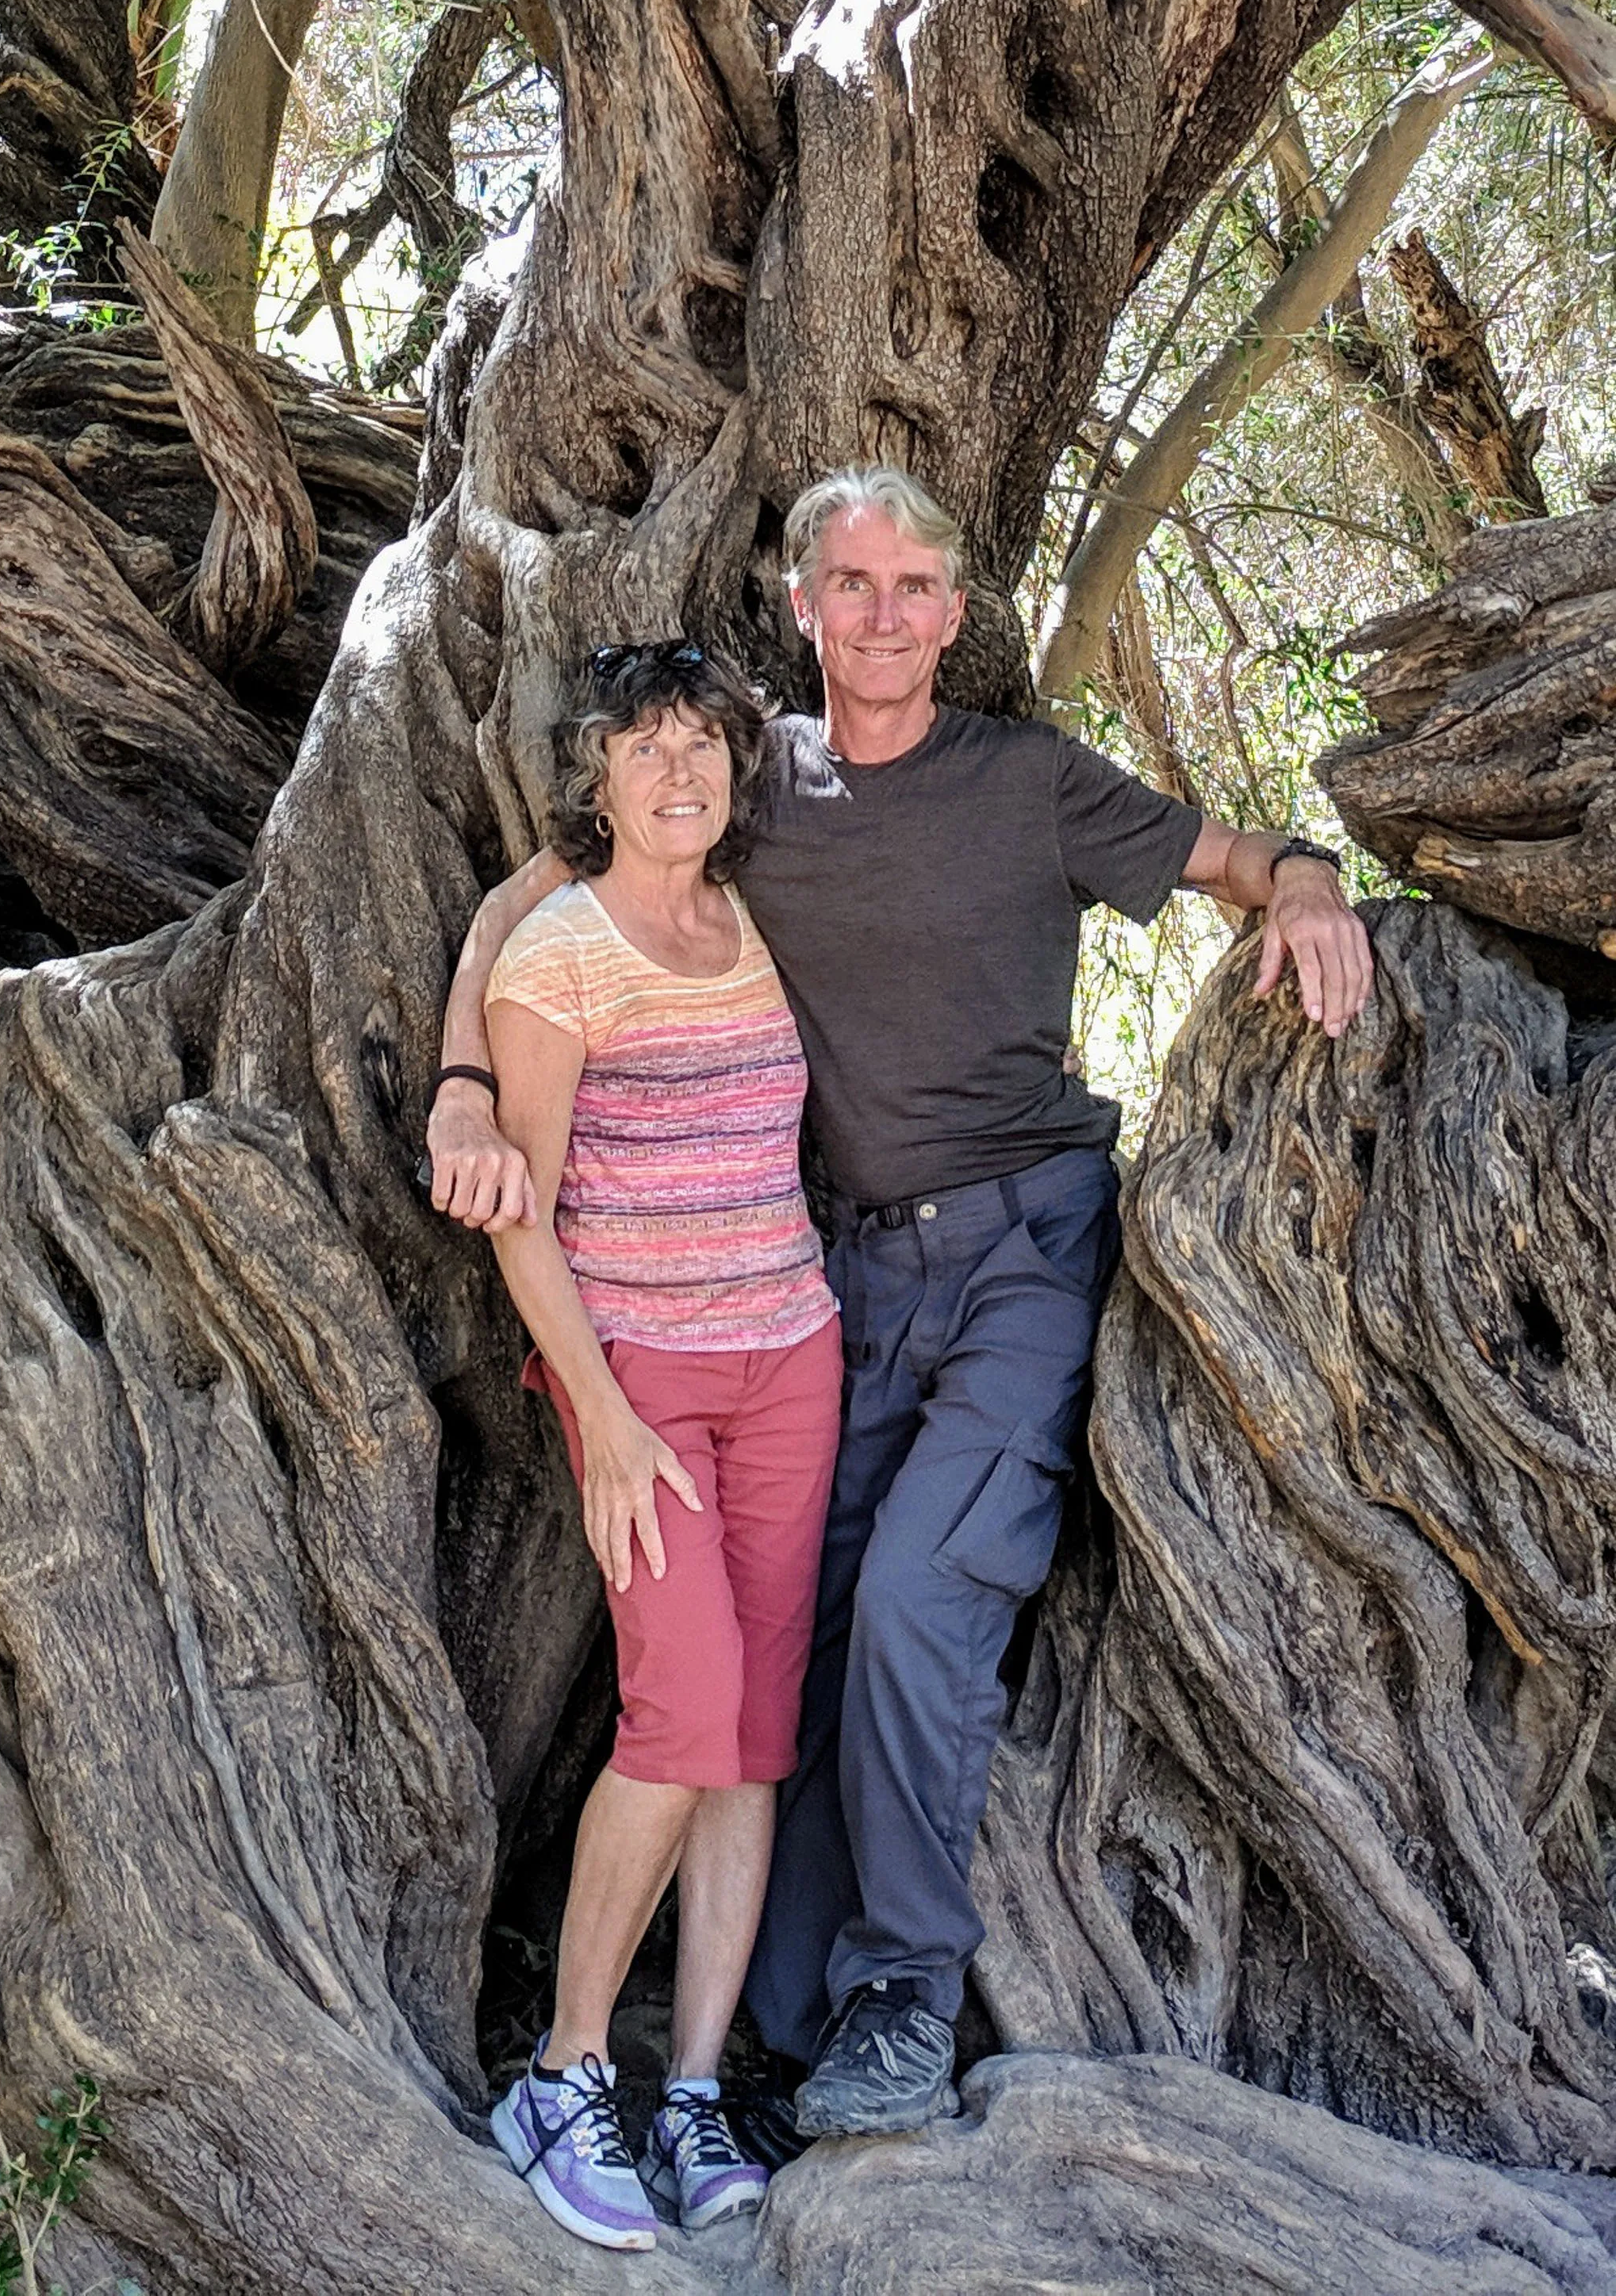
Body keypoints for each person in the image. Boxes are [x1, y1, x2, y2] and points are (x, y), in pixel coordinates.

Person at [430, 467, 1373, 2145]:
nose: (880, 614)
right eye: (847, 584)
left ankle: (900, 1998)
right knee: (800, 1650)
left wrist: (1305, 881)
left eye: (913, 584)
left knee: (929, 1606)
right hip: (838, 1277)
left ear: (955, 611)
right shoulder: (749, 779)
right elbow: (531, 899)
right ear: (800, 608)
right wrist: (454, 1091)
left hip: (1025, 1252)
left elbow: (1238, 855)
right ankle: (755, 2044)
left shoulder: (1029, 783)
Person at [462, 642, 843, 2250]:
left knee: (750, 1737)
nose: (677, 772)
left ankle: (690, 2089)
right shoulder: (559, 950)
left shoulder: (751, 915)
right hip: (644, 1381)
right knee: (680, 1716)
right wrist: (602, 1422)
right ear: (596, 778)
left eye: (702, 745)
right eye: (643, 749)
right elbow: (519, 1217)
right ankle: (560, 2074)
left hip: (792, 1360)